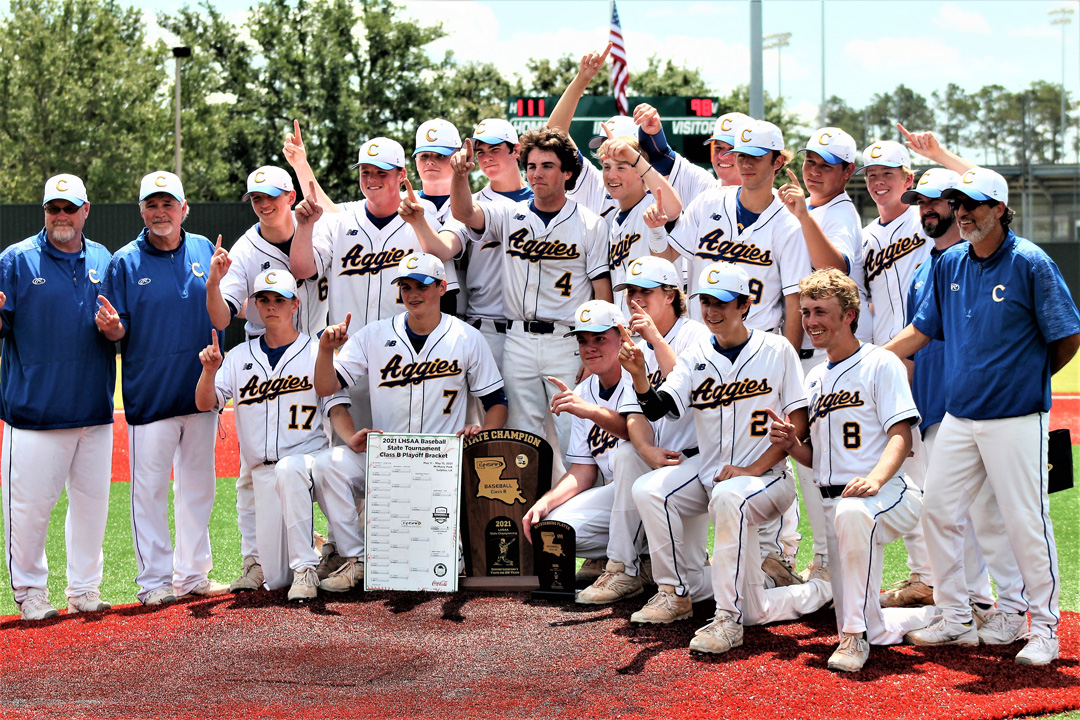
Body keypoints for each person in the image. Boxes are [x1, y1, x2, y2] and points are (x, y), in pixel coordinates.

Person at [885, 167, 1080, 666]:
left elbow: (1067, 336)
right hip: (960, 416)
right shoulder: (950, 262)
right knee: (938, 513)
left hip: (1016, 417)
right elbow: (921, 331)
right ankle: (956, 616)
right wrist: (867, 363)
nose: (963, 212)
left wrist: (1025, 377)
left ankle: (1043, 628)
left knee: (1024, 521)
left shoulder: (1031, 263)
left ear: (999, 209)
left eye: (973, 204)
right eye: (958, 203)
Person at [620, 262, 827, 633]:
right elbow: (659, 407)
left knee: (731, 495)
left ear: (745, 305)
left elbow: (798, 423)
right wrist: (639, 377)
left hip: (768, 481)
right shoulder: (696, 354)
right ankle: (675, 593)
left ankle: (728, 619)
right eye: (707, 303)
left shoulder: (776, 349)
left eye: (723, 303)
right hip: (710, 477)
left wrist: (754, 469)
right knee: (649, 490)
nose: (713, 312)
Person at [769, 268, 934, 673]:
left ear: (849, 315)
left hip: (889, 492)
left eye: (821, 311)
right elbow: (817, 460)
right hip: (837, 502)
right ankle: (936, 615)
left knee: (853, 513)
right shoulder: (815, 377)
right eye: (806, 311)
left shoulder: (881, 363)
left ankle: (853, 639)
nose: (810, 321)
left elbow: (901, 436)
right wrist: (793, 445)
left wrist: (876, 478)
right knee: (870, 621)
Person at [312, 253, 508, 582]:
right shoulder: (373, 335)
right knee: (327, 464)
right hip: (387, 458)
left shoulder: (466, 337)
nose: (413, 294)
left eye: (422, 286)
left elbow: (497, 402)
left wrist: (483, 434)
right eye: (405, 286)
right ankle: (356, 558)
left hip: (442, 463)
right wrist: (325, 351)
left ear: (442, 287)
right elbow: (327, 386)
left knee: (441, 570)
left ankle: (451, 544)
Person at [99, 170, 228, 606]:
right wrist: (115, 329)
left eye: (167, 204)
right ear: (141, 211)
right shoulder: (123, 261)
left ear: (184, 208)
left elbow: (221, 313)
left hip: (200, 394)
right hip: (149, 395)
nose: (160, 212)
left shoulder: (204, 250)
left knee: (198, 488)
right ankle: (153, 581)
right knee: (148, 492)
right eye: (151, 205)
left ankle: (192, 575)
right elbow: (118, 331)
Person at [448, 127, 613, 464]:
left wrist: (593, 351)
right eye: (532, 165)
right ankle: (530, 515)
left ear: (567, 172)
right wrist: (460, 176)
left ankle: (574, 516)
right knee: (522, 442)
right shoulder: (511, 214)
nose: (536, 173)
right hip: (518, 340)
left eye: (547, 166)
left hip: (567, 342)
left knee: (573, 438)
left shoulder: (590, 223)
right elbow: (465, 213)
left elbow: (601, 295)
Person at [205, 164, 331, 591]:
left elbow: (310, 267)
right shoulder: (243, 249)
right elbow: (222, 314)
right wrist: (214, 284)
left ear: (290, 196)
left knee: (330, 462)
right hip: (266, 357)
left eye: (271, 196)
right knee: (254, 467)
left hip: (319, 352)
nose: (263, 204)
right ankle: (257, 560)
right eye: (256, 198)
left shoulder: (319, 226)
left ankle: (338, 552)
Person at [195, 269, 357, 601]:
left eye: (279, 300)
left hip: (305, 462)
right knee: (276, 580)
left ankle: (306, 569)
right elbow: (205, 403)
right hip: (261, 471)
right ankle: (291, 555)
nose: (271, 307)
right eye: (264, 300)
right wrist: (209, 372)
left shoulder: (316, 351)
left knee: (290, 468)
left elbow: (336, 407)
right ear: (254, 305)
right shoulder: (240, 356)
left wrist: (351, 437)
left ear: (295, 304)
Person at [0, 174, 116, 620]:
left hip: (92, 410)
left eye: (70, 208)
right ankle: (30, 593)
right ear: (44, 212)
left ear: (86, 210)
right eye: (54, 209)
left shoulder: (104, 258)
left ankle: (84, 589)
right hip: (33, 415)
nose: (61, 216)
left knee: (91, 506)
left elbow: (118, 327)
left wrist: (116, 330)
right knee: (28, 511)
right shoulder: (16, 260)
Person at [575, 257, 710, 604]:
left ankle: (765, 576)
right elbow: (635, 412)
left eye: (644, 292)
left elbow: (690, 391)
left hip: (700, 460)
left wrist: (654, 339)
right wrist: (646, 450)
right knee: (627, 453)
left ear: (670, 295)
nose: (635, 299)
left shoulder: (695, 333)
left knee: (697, 584)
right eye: (630, 292)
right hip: (663, 458)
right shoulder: (633, 344)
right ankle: (622, 568)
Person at [648, 120, 812, 342]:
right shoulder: (707, 203)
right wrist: (657, 231)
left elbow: (794, 302)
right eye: (741, 155)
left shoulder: (789, 223)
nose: (746, 163)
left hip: (758, 345)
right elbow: (664, 260)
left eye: (756, 156)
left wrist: (788, 360)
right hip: (700, 342)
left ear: (778, 161)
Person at [521, 300, 630, 559]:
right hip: (614, 492)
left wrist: (589, 411)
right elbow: (583, 470)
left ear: (623, 337)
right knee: (551, 529)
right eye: (582, 340)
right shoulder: (583, 391)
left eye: (600, 338)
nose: (589, 347)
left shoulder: (640, 378)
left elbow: (637, 436)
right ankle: (638, 555)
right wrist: (545, 501)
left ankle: (643, 555)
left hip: (646, 489)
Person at [459, 117, 533, 368]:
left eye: (495, 149)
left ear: (516, 150)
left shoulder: (545, 200)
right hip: (485, 326)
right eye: (480, 152)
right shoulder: (471, 202)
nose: (486, 157)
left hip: (532, 329)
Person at [857, 140, 928, 347]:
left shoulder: (928, 221)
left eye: (888, 173)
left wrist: (938, 154)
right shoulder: (863, 238)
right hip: (882, 349)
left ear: (908, 179)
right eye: (872, 175)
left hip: (927, 344)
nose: (879, 181)